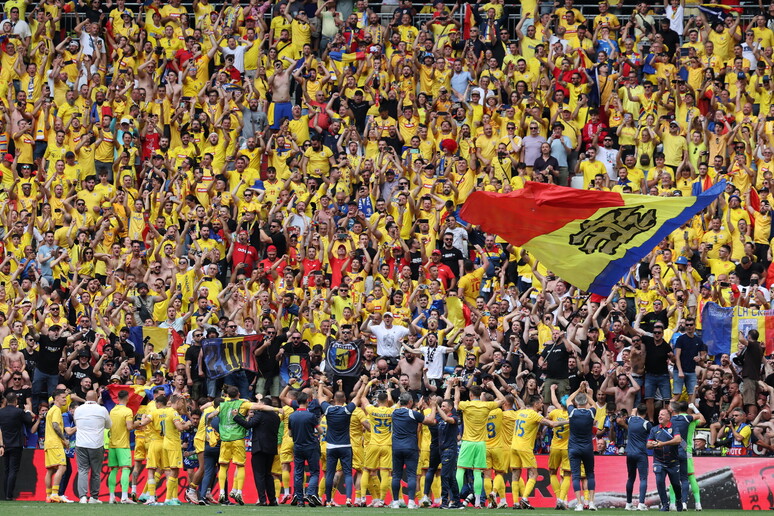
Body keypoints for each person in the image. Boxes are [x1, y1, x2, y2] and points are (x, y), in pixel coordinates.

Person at [455, 381, 506, 508]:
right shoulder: (487, 406)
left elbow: (455, 402)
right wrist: (493, 386)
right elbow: (503, 400)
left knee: (461, 469)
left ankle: (455, 500)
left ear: (471, 395)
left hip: (468, 442)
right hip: (481, 443)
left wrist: (455, 387)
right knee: (478, 472)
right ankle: (478, 502)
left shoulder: (466, 405)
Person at [510, 393, 565, 509]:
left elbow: (522, 405)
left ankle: (515, 502)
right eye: (541, 402)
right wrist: (570, 421)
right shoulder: (534, 415)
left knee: (515, 474)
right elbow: (552, 424)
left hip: (514, 446)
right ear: (536, 404)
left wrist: (516, 396)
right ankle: (524, 499)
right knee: (534, 474)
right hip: (524, 448)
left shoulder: (521, 412)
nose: (542, 404)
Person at [389, 392, 437, 509]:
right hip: (410, 447)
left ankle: (395, 502)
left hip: (396, 447)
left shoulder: (393, 412)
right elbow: (430, 421)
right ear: (410, 402)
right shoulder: (413, 414)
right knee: (411, 475)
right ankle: (411, 502)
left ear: (400, 402)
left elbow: (395, 404)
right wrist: (434, 406)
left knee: (396, 476)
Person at [234, 397, 281, 506]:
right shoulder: (276, 416)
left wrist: (236, 417)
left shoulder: (260, 414)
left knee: (259, 474)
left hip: (259, 447)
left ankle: (262, 500)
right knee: (268, 474)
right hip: (271, 447)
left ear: (263, 404)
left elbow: (248, 425)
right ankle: (272, 500)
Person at [318, 376, 357, 506]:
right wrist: (364, 383)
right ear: (345, 400)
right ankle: (348, 499)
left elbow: (319, 397)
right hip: (345, 446)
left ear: (334, 400)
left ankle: (328, 500)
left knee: (329, 473)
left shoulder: (328, 409)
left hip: (331, 446)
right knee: (347, 473)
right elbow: (358, 397)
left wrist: (321, 383)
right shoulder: (347, 410)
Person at [73, 390, 112, 504]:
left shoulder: (78, 409)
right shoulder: (102, 410)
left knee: (83, 471)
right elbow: (109, 425)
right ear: (96, 398)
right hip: (96, 444)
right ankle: (94, 497)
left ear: (85, 397)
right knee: (96, 472)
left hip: (81, 444)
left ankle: (83, 497)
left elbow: (77, 422)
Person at [668, 401, 706, 511]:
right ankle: (698, 503)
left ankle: (672, 503)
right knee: (690, 477)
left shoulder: (674, 419)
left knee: (674, 478)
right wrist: (694, 408)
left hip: (675, 449)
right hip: (687, 450)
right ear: (687, 409)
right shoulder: (691, 419)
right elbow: (703, 420)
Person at [566, 382, 597, 511]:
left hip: (573, 448)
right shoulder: (590, 413)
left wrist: (579, 389)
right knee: (590, 474)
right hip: (587, 448)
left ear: (576, 403)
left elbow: (568, 400)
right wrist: (585, 393)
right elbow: (594, 404)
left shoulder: (572, 412)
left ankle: (579, 504)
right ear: (586, 402)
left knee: (576, 476)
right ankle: (591, 503)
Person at [288, 390, 322, 507]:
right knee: (314, 472)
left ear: (297, 402)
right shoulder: (311, 415)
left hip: (298, 446)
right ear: (308, 401)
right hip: (311, 446)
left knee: (298, 473)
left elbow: (289, 434)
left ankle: (300, 501)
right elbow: (320, 431)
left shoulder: (292, 416)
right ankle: (310, 493)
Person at [647, 408, 683, 512]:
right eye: (659, 414)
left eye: (662, 414)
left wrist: (663, 444)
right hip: (659, 461)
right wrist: (653, 444)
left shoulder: (674, 427)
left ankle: (679, 500)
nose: (660, 416)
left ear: (668, 417)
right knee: (659, 482)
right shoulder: (654, 429)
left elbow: (678, 440)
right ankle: (665, 505)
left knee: (676, 484)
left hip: (673, 462)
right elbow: (648, 444)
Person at [0, 393, 34, 500]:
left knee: (6, 470)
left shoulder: (1, 412)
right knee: (13, 470)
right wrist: (28, 410)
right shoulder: (19, 412)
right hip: (16, 444)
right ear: (16, 401)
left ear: (6, 400)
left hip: (4, 444)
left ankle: (6, 494)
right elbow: (29, 420)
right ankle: (9, 495)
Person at [107, 390, 136, 504]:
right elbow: (129, 427)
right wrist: (137, 425)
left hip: (112, 444)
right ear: (127, 398)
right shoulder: (128, 411)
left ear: (118, 398)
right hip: (123, 445)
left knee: (113, 469)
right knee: (125, 468)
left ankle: (111, 497)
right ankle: (124, 497)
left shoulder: (112, 410)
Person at [44, 389, 71, 503]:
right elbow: (55, 426)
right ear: (56, 398)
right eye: (63, 397)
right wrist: (64, 439)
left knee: (50, 470)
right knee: (62, 467)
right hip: (55, 443)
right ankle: (55, 494)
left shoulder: (51, 410)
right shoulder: (56, 410)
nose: (65, 399)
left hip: (48, 443)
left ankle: (49, 495)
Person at [623, 404, 652, 511]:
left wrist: (634, 410)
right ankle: (641, 503)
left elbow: (632, 414)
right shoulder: (646, 424)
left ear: (637, 411)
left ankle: (628, 503)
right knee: (643, 478)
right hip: (640, 453)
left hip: (629, 453)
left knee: (631, 478)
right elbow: (652, 433)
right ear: (647, 412)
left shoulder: (630, 420)